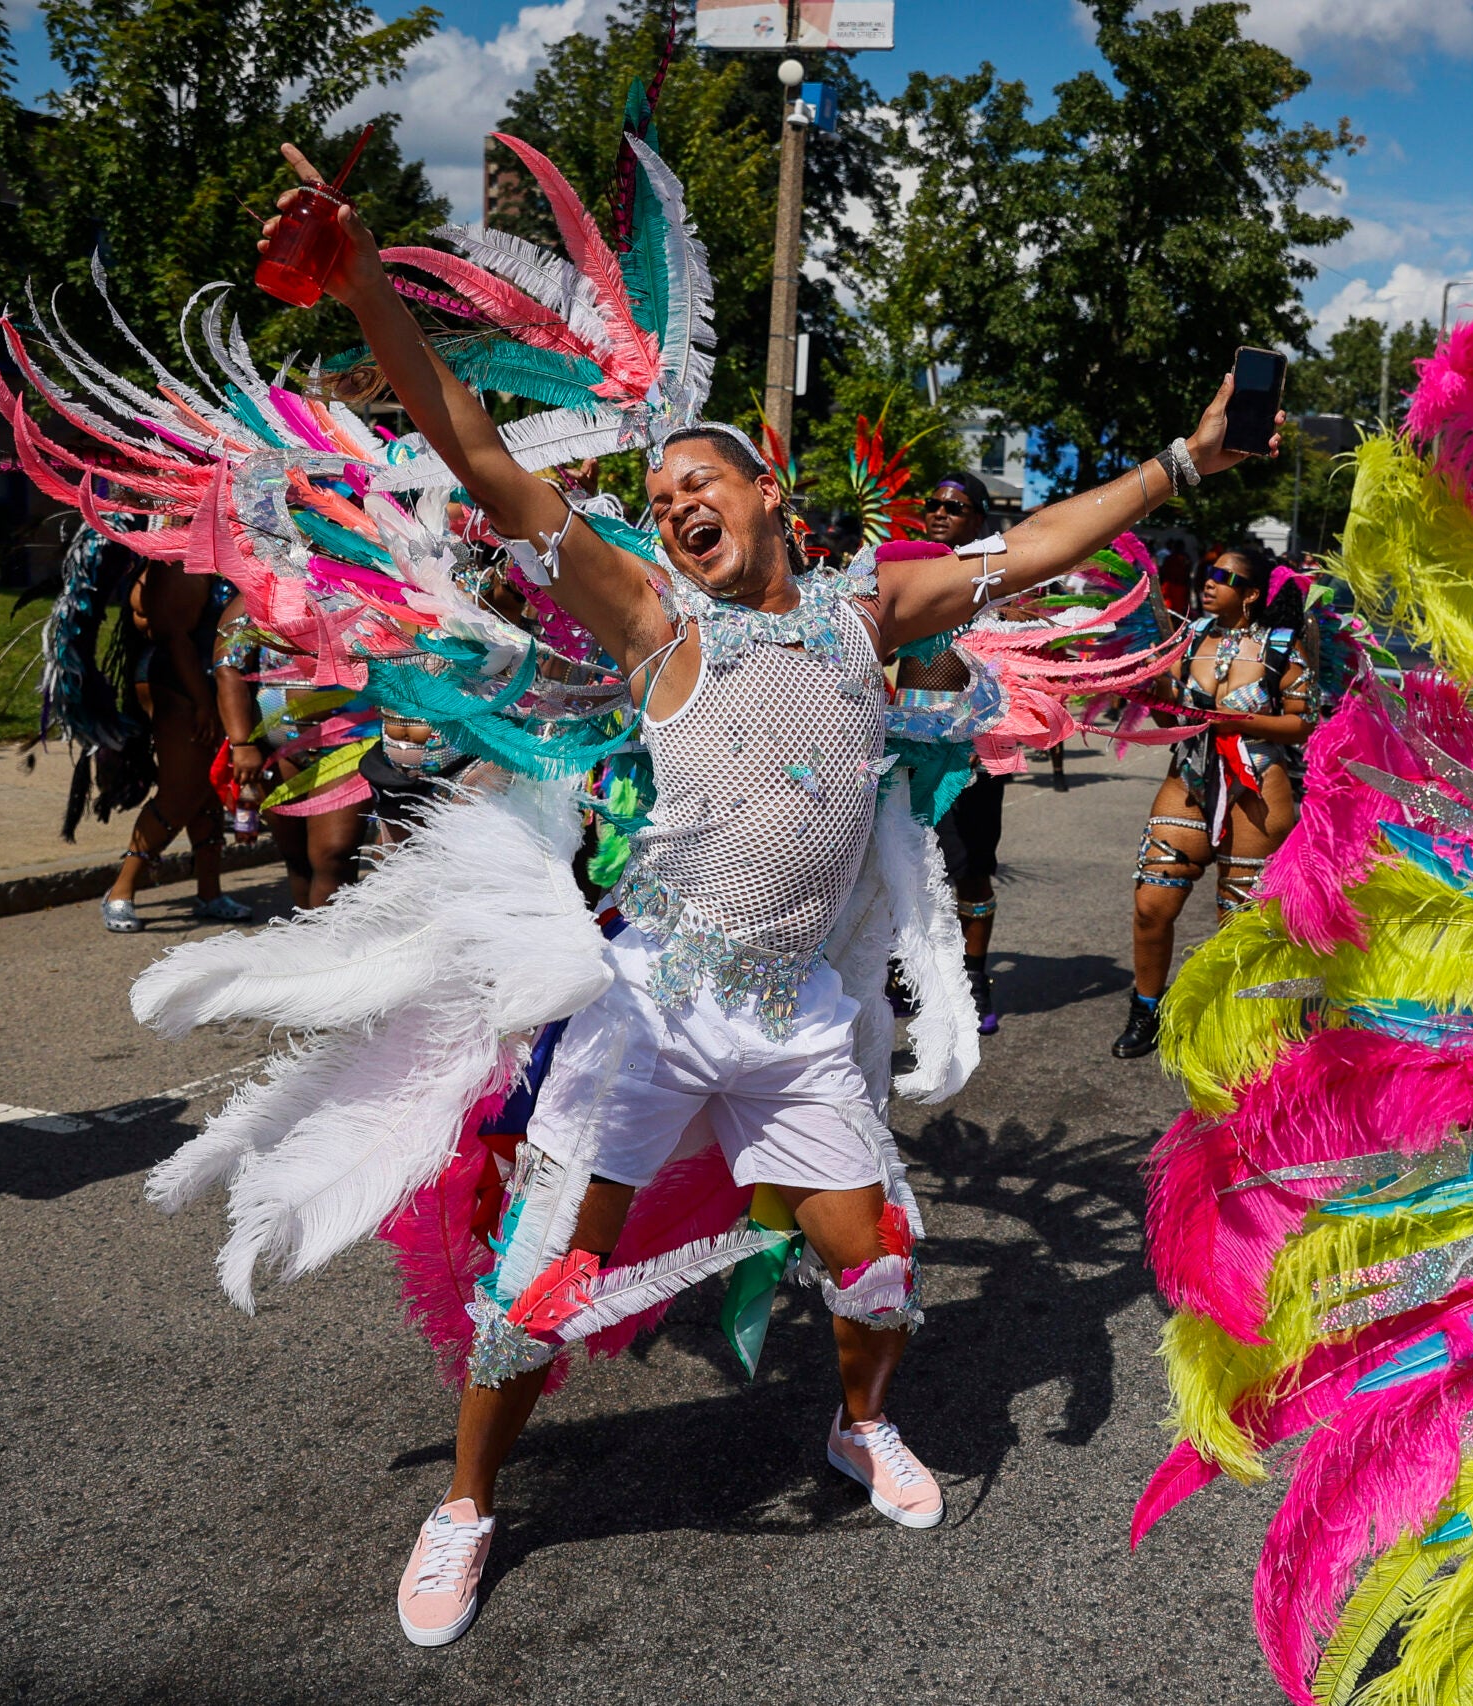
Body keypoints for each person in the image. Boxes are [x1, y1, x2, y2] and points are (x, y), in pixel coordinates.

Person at [255, 143, 1278, 1646]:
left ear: (767, 485)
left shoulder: (873, 613)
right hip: (654, 1001)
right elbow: (477, 454)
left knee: (876, 1270)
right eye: (660, 495)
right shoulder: (650, 616)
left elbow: (1045, 542)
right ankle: (468, 1504)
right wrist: (370, 301)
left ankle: (858, 1427)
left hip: (796, 1014)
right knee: (544, 1277)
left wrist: (1186, 463)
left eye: (696, 483)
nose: (672, 507)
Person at [1114, 544, 1316, 1060]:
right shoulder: (1190, 640)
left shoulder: (1281, 646)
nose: (1209, 582)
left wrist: (1239, 722)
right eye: (1207, 573)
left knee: (1240, 923)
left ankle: (1239, 1022)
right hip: (1188, 777)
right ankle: (1146, 1010)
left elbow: (1302, 723)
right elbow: (1168, 720)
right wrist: (1153, 685)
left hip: (1258, 790)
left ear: (1250, 594)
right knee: (1150, 906)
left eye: (1223, 576)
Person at [895, 472, 1009, 1034]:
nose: (941, 513)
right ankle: (908, 968)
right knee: (903, 860)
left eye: (956, 507)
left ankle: (973, 974)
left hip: (971, 751)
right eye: (934, 504)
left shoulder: (997, 584)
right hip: (904, 745)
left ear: (979, 520)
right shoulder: (901, 575)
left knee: (971, 869)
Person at [99, 544, 254, 931]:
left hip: (215, 685)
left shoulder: (229, 548)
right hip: (184, 686)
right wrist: (203, 701)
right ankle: (121, 890)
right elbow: (172, 634)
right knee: (180, 793)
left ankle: (209, 891)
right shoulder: (184, 554)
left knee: (206, 789)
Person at [212, 594, 376, 907]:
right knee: (297, 859)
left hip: (349, 745)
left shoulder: (357, 587)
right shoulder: (256, 598)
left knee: (333, 855)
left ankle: (333, 949)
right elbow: (228, 667)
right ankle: (305, 945)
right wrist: (243, 743)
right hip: (279, 750)